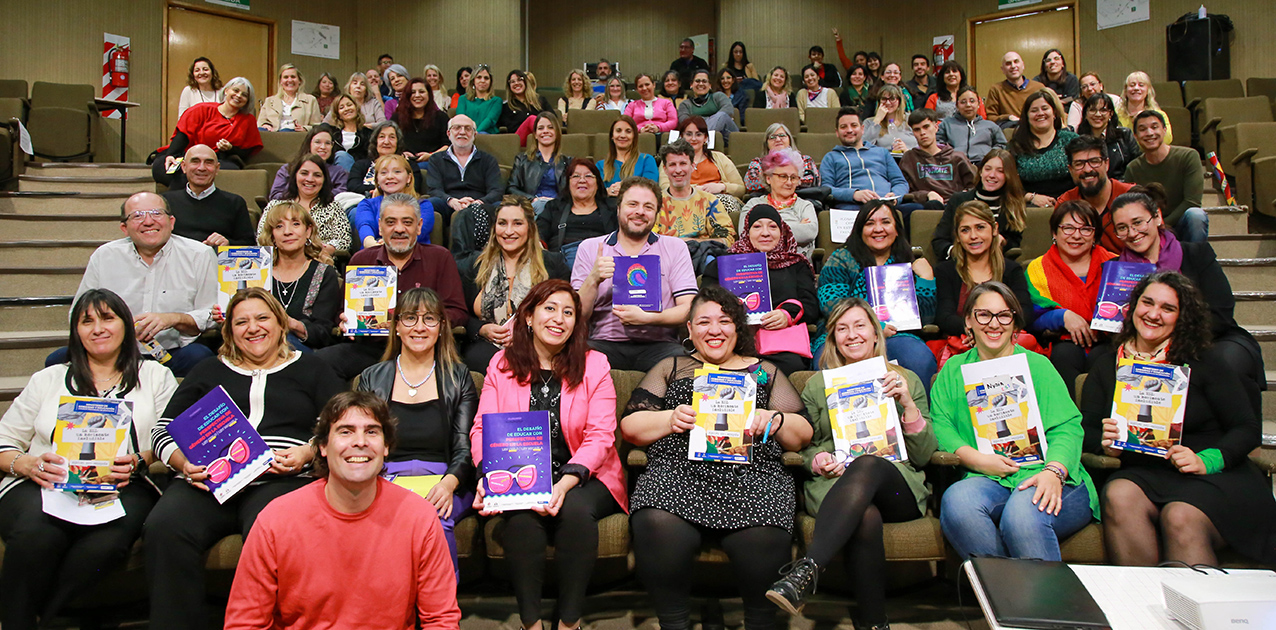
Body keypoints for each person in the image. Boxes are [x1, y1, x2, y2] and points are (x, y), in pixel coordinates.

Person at [144, 287, 345, 630]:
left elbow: (341, 424)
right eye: (242, 322)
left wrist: (309, 451)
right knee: (163, 527)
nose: (253, 328)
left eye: (263, 318)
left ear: (281, 324)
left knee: (273, 528)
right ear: (230, 331)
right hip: (205, 481)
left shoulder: (312, 368)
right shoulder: (208, 370)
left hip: (279, 479)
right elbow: (163, 429)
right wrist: (181, 464)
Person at [622, 285, 812, 630]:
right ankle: (674, 622)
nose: (714, 329)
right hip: (678, 473)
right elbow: (631, 426)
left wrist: (776, 419)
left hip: (754, 478)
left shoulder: (764, 372)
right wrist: (669, 419)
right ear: (690, 329)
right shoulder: (672, 367)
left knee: (767, 531)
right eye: (704, 322)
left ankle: (759, 621)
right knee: (654, 518)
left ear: (737, 328)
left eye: (724, 321)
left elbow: (802, 436)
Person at [0, 290, 177, 630]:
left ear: (125, 325)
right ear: (76, 332)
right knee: (38, 535)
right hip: (43, 482)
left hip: (125, 483)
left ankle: (40, 617)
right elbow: (5, 441)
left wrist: (140, 459)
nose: (98, 328)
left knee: (106, 546)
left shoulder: (155, 376)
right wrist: (27, 464)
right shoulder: (48, 379)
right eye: (87, 321)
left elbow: (169, 437)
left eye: (108, 318)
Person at [1079, 271, 1276, 567]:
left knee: (1179, 515)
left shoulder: (1203, 360)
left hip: (1213, 475)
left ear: (1182, 317)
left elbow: (1246, 428)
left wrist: (1207, 460)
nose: (1154, 314)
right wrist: (1105, 444)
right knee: (1119, 494)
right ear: (1134, 307)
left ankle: (1194, 612)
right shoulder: (1108, 365)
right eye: (1148, 303)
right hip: (1144, 470)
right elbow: (1086, 429)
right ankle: (1140, 608)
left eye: (1167, 308)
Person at [224, 391, 462, 629]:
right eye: (346, 431)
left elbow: (441, 619)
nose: (360, 442)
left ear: (386, 447)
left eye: (371, 431)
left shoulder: (419, 517)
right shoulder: (275, 520)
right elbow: (245, 622)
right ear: (323, 447)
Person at [764, 298, 937, 626]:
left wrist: (908, 406)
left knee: (868, 463)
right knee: (865, 516)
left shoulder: (905, 379)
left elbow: (925, 454)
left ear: (875, 333)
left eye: (860, 326)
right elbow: (804, 445)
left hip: (896, 487)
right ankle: (874, 622)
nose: (852, 335)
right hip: (836, 485)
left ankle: (806, 570)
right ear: (833, 339)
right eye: (842, 329)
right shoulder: (817, 385)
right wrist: (819, 460)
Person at [471, 278, 628, 630]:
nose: (559, 319)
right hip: (521, 471)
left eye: (569, 312)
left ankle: (569, 621)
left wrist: (565, 482)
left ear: (577, 322)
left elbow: (601, 435)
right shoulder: (501, 364)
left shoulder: (595, 364)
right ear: (528, 316)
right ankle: (532, 623)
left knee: (574, 511)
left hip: (587, 474)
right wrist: (488, 477)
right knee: (522, 519)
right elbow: (483, 429)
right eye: (550, 309)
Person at [931, 282, 1097, 561]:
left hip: (1049, 472)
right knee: (958, 502)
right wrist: (977, 460)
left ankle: (1035, 603)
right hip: (986, 476)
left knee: (1022, 514)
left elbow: (1067, 427)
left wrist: (1054, 471)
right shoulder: (952, 370)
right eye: (984, 315)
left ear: (1014, 322)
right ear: (969, 321)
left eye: (1004, 315)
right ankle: (1007, 597)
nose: (994, 324)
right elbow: (941, 424)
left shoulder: (1038, 366)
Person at [355, 288, 478, 578]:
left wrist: (448, 485)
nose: (419, 327)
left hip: (444, 479)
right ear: (396, 326)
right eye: (410, 318)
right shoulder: (372, 377)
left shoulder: (459, 377)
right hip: (385, 478)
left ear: (441, 327)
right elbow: (363, 444)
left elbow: (464, 447)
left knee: (433, 516)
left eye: (429, 319)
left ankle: (440, 613)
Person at [1111, 190, 1263, 406]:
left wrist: (1174, 340)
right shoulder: (1116, 271)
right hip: (1145, 345)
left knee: (1226, 361)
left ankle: (1238, 434)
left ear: (1157, 218)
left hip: (1209, 337)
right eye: (1122, 228)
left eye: (1138, 222)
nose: (1132, 232)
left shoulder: (1196, 254)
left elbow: (1221, 312)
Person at [54, 192, 216, 377]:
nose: (148, 222)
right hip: (115, 353)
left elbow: (212, 312)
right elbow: (78, 313)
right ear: (124, 227)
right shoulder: (104, 256)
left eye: (156, 213)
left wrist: (173, 319)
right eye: (137, 216)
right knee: (57, 361)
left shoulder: (199, 254)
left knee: (201, 358)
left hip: (171, 354)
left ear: (171, 222)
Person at [316, 197, 468, 380]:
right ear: (380, 227)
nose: (399, 229)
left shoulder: (440, 258)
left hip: (423, 349)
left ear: (419, 226)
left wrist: (418, 320)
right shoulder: (361, 260)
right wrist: (345, 320)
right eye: (391, 222)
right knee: (320, 363)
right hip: (371, 348)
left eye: (407, 222)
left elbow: (458, 313)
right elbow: (342, 311)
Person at [572, 178, 697, 371]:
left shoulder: (675, 247)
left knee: (689, 366)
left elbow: (688, 309)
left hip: (660, 344)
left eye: (648, 206)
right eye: (632, 204)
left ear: (656, 214)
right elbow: (577, 315)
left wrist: (648, 318)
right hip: (604, 342)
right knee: (572, 359)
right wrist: (593, 279)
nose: (640, 211)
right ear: (619, 208)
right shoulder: (590, 248)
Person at [817, 200, 938, 387]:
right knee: (826, 361)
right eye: (870, 223)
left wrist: (926, 278)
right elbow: (831, 305)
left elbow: (926, 318)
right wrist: (873, 327)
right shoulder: (841, 260)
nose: (878, 229)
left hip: (896, 337)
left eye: (886, 222)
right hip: (844, 336)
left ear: (897, 229)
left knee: (919, 358)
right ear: (860, 230)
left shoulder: (907, 262)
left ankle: (916, 415)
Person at [704, 205, 819, 375]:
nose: (765, 233)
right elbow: (705, 301)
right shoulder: (724, 264)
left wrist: (786, 315)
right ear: (747, 232)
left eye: (772, 226)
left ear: (782, 232)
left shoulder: (796, 264)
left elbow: (810, 305)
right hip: (732, 340)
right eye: (757, 226)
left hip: (779, 344)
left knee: (790, 367)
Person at [461, 196, 571, 373]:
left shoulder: (553, 264)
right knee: (480, 361)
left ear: (530, 228)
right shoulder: (475, 265)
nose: (508, 231)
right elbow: (460, 312)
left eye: (517, 223)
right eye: (502, 223)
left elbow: (564, 311)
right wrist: (481, 328)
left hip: (538, 344)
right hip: (486, 347)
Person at [1024, 201, 1117, 393]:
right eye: (1068, 228)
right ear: (1054, 233)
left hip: (1108, 342)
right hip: (1059, 344)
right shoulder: (1038, 269)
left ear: (1095, 235)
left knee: (1105, 357)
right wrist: (1062, 316)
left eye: (1086, 229)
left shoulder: (1115, 265)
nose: (1076, 235)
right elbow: (1028, 318)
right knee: (1064, 354)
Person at [933, 201, 1035, 360]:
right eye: (965, 230)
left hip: (1004, 340)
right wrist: (978, 333)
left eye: (980, 227)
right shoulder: (945, 271)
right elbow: (944, 317)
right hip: (964, 342)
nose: (973, 236)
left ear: (994, 229)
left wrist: (993, 333)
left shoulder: (1011, 270)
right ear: (958, 236)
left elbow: (1025, 312)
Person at [253, 201, 342, 351]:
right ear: (272, 235)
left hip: (301, 350)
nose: (287, 232)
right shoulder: (256, 272)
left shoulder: (324, 273)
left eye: (295, 224)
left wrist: (291, 324)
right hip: (254, 342)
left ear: (308, 231)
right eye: (279, 226)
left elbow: (324, 332)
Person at [820, 108, 921, 229]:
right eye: (843, 127)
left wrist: (895, 196)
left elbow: (900, 182)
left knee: (916, 210)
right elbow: (826, 189)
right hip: (852, 209)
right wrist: (854, 194)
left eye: (854, 125)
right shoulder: (831, 157)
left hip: (886, 206)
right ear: (837, 132)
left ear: (862, 129)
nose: (849, 130)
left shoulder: (882, 153)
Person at [152, 77, 261, 182]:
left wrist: (230, 148)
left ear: (247, 100)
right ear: (226, 91)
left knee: (226, 172)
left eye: (244, 95)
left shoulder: (248, 120)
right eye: (236, 90)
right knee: (162, 167)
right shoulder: (202, 109)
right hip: (188, 154)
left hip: (219, 160)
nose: (238, 95)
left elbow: (247, 151)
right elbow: (183, 134)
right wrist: (171, 155)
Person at [1125, 110, 1207, 243]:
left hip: (1180, 222)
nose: (1150, 133)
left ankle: (1195, 259)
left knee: (1196, 215)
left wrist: (1162, 224)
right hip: (1150, 227)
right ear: (1135, 136)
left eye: (1154, 127)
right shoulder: (1133, 168)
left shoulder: (1188, 156)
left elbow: (1192, 201)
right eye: (1143, 129)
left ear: (1164, 130)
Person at [932, 149, 1028, 260]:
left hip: (997, 264)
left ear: (1008, 175)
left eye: (1000, 171)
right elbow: (939, 241)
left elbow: (1014, 243)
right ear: (980, 171)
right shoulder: (958, 200)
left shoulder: (1014, 205)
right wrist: (959, 253)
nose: (992, 175)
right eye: (987, 169)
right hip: (958, 264)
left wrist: (1003, 242)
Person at [433, 116, 506, 257]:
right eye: (457, 128)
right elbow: (434, 189)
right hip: (448, 204)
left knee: (499, 207)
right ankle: (434, 256)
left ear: (475, 134)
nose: (462, 132)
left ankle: (491, 255)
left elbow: (496, 190)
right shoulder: (437, 159)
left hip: (480, 204)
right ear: (449, 134)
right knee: (430, 204)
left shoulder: (488, 160)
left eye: (468, 128)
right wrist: (452, 201)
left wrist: (478, 202)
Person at [160, 144, 254, 247]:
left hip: (216, 260)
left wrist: (228, 244)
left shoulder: (235, 202)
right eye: (195, 161)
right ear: (184, 167)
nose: (201, 168)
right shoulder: (165, 201)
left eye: (208, 163)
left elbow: (249, 246)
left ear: (217, 169)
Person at [1056, 135, 1137, 252]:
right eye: (1079, 164)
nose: (1088, 169)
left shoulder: (1134, 198)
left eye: (1094, 161)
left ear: (1107, 164)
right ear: (1071, 170)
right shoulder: (1065, 204)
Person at [260, 154, 351, 256]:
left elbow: (344, 241)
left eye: (317, 175)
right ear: (295, 176)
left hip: (319, 260)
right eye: (304, 173)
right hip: (278, 262)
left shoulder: (333, 207)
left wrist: (323, 249)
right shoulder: (275, 206)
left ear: (324, 179)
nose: (310, 179)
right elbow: (262, 238)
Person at [657, 138, 737, 248]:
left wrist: (690, 242)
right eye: (672, 165)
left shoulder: (710, 201)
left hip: (703, 258)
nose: (678, 170)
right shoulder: (655, 202)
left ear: (692, 166)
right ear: (665, 169)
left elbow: (728, 239)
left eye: (683, 163)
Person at [739, 148, 818, 260]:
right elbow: (745, 233)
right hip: (759, 265)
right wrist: (794, 227)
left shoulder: (805, 206)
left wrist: (764, 231)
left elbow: (809, 232)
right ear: (768, 178)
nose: (789, 182)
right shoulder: (754, 204)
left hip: (796, 266)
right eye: (783, 176)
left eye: (794, 177)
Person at [538, 159, 618, 269]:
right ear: (568, 183)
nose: (582, 180)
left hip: (604, 264)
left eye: (588, 176)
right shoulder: (554, 207)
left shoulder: (612, 207)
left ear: (598, 183)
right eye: (576, 176)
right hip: (560, 266)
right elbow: (538, 232)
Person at [1010, 90, 1080, 201]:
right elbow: (1007, 184)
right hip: (1030, 207)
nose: (1040, 113)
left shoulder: (1071, 140)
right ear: (1027, 117)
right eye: (1034, 110)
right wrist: (1031, 197)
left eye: (1045, 108)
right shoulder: (1016, 145)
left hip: (1070, 204)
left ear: (1054, 113)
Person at [900, 108, 976, 207]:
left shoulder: (957, 157)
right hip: (926, 206)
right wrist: (926, 195)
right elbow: (904, 191)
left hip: (955, 206)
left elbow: (974, 185)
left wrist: (961, 197)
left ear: (936, 127)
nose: (922, 133)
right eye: (917, 129)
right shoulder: (909, 158)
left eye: (926, 127)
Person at [354, 156, 435, 249]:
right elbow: (365, 225)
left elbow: (416, 232)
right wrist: (370, 242)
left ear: (409, 178)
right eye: (383, 173)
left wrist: (388, 243)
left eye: (397, 172)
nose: (390, 176)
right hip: (374, 255)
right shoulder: (367, 204)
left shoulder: (423, 205)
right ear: (377, 180)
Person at [509, 111, 570, 216]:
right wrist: (532, 199)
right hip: (531, 207)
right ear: (535, 135)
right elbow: (511, 188)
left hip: (558, 207)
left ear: (557, 133)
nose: (545, 131)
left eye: (550, 127)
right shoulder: (522, 159)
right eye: (541, 128)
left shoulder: (567, 161)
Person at [268, 125, 349, 200]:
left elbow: (341, 196)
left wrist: (313, 196)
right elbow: (275, 195)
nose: (323, 147)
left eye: (327, 143)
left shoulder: (339, 172)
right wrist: (300, 195)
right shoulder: (287, 169)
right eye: (318, 142)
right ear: (309, 143)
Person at [346, 120, 422, 198]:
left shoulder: (410, 166)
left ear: (398, 143)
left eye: (392, 137)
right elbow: (353, 187)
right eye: (382, 137)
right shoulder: (361, 165)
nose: (386, 142)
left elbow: (413, 187)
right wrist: (381, 189)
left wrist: (380, 191)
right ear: (376, 142)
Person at [1075, 94, 1139, 180]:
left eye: (1103, 110)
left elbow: (1135, 165)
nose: (1097, 114)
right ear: (1085, 114)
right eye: (1092, 110)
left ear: (1111, 114)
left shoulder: (1124, 135)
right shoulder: (1077, 139)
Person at [743, 123, 819, 195]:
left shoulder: (805, 160)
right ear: (766, 143)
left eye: (782, 136)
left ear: (790, 139)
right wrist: (792, 181)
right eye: (772, 137)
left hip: (801, 199)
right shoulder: (758, 162)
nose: (778, 139)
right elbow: (751, 183)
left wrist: (774, 182)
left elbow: (811, 180)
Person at [936, 86, 1003, 165]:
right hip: (956, 165)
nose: (968, 105)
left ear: (978, 104)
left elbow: (1001, 144)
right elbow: (938, 143)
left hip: (983, 166)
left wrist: (990, 156)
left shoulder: (990, 125)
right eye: (963, 102)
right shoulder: (947, 124)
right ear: (957, 105)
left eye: (972, 101)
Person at [597, 115, 659, 196]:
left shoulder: (647, 160)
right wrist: (608, 191)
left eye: (628, 131)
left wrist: (625, 186)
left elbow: (650, 188)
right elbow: (595, 193)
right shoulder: (600, 165)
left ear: (634, 136)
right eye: (618, 131)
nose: (623, 135)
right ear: (612, 136)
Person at [985, 52, 1048, 128]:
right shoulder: (996, 89)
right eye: (1008, 63)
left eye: (1016, 62)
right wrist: (1008, 117)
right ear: (1003, 69)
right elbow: (991, 118)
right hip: (1011, 133)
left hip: (1036, 130)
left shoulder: (1038, 87)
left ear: (1023, 65)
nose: (1013, 66)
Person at [395, 78, 449, 163]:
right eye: (413, 92)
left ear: (429, 95)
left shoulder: (441, 117)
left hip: (434, 161)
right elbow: (391, 142)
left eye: (421, 92)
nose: (417, 95)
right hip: (403, 162)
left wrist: (431, 155)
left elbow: (448, 144)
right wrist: (401, 153)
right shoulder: (397, 117)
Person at [257, 64, 322, 132]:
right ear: (281, 81)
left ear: (299, 80)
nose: (290, 80)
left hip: (296, 136)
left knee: (285, 130)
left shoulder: (310, 100)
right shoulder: (269, 101)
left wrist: (305, 128)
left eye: (293, 77)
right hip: (273, 136)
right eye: (286, 77)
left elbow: (317, 127)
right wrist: (265, 125)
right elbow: (260, 122)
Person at [677, 69, 739, 139]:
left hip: (725, 136)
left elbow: (728, 111)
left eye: (704, 81)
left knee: (722, 115)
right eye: (697, 81)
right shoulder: (685, 104)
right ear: (691, 85)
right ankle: (703, 138)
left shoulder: (718, 96)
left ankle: (703, 138)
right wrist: (710, 119)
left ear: (710, 85)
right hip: (696, 135)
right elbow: (685, 122)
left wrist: (703, 121)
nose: (701, 84)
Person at [1117, 71, 1172, 145]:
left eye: (1141, 85)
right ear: (1126, 91)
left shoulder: (1159, 114)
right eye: (1132, 85)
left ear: (1148, 91)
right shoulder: (1116, 115)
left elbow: (1167, 139)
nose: (1136, 88)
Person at [863, 84, 916, 152]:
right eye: (884, 99)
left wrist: (907, 151)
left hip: (909, 158)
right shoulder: (869, 122)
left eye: (892, 99)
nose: (888, 102)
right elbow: (864, 145)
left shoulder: (910, 119)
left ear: (899, 101)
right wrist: (877, 120)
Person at [500, 69, 551, 139]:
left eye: (519, 80)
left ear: (525, 82)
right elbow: (508, 128)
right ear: (509, 86)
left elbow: (552, 118)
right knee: (531, 119)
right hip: (518, 139)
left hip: (539, 135)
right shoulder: (506, 106)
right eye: (512, 82)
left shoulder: (540, 100)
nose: (516, 83)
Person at [328, 94, 372, 173]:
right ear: (338, 114)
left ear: (356, 108)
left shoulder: (368, 134)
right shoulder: (332, 134)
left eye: (349, 105)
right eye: (341, 107)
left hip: (361, 173)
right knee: (341, 155)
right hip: (336, 174)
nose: (346, 109)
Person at [457, 65, 502, 134]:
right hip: (466, 134)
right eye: (479, 77)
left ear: (490, 82)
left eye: (486, 78)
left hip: (487, 135)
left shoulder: (496, 100)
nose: (482, 81)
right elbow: (461, 119)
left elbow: (490, 120)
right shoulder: (463, 99)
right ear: (473, 81)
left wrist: (476, 132)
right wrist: (469, 133)